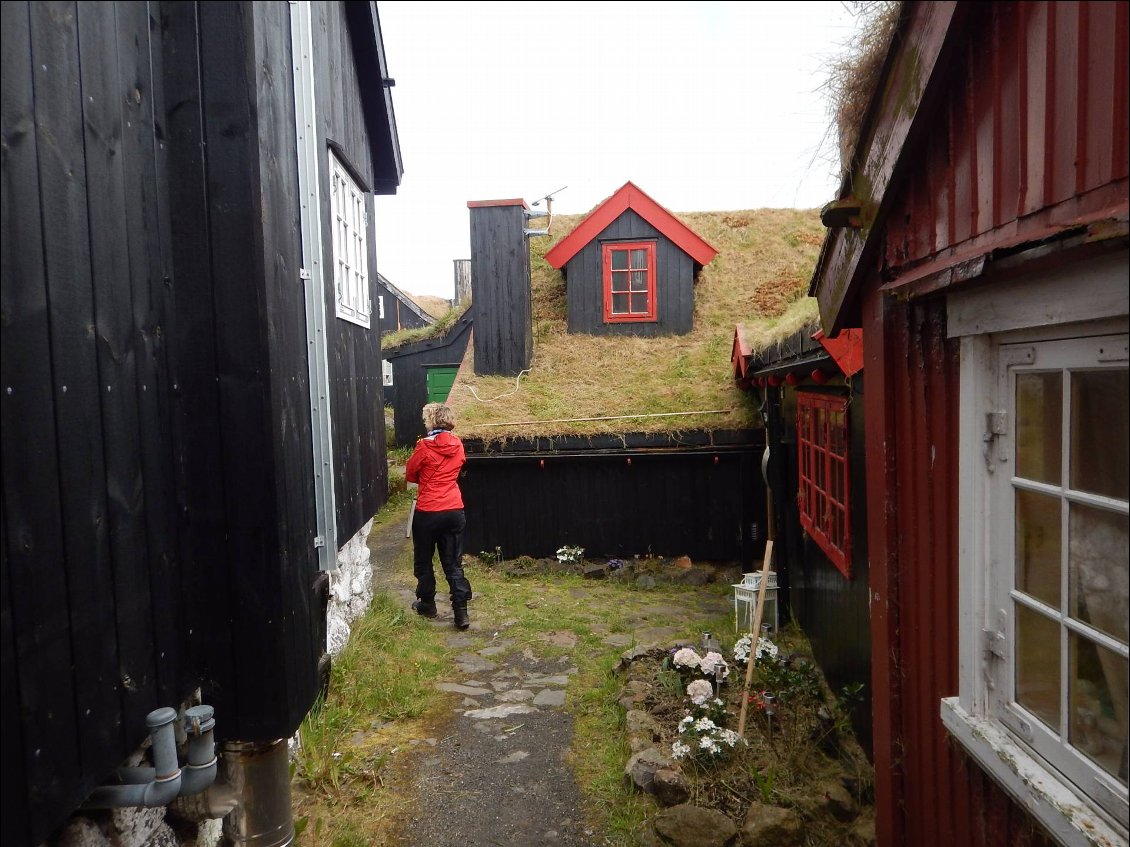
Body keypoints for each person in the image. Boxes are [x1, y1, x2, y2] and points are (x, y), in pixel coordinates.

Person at [405, 403, 472, 629]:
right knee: (453, 563)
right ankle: (461, 613)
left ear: (432, 421)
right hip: (454, 510)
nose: (425, 423)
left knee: (424, 561)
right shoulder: (458, 445)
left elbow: (411, 474)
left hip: (428, 511)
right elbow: (459, 465)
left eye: (426, 419)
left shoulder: (423, 447)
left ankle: (428, 604)